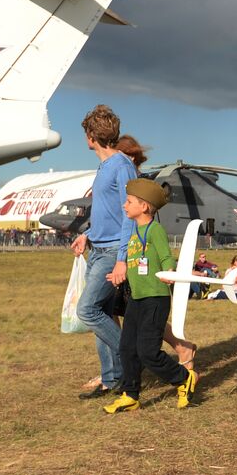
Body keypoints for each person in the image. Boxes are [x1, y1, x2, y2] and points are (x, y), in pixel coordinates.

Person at [103, 178, 198, 413]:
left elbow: (166, 258)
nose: (124, 205)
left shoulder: (155, 230)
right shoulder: (136, 231)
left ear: (144, 206)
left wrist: (170, 273)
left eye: (129, 201)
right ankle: (131, 395)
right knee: (127, 348)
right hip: (137, 298)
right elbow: (137, 260)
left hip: (155, 299)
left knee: (147, 352)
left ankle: (183, 378)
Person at [70, 105, 136, 400]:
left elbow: (129, 215)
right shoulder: (105, 166)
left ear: (90, 136)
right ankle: (112, 379)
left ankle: (133, 358)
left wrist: (122, 259)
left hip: (111, 253)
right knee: (104, 312)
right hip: (97, 248)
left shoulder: (121, 166)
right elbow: (107, 212)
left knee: (87, 310)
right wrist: (86, 235)